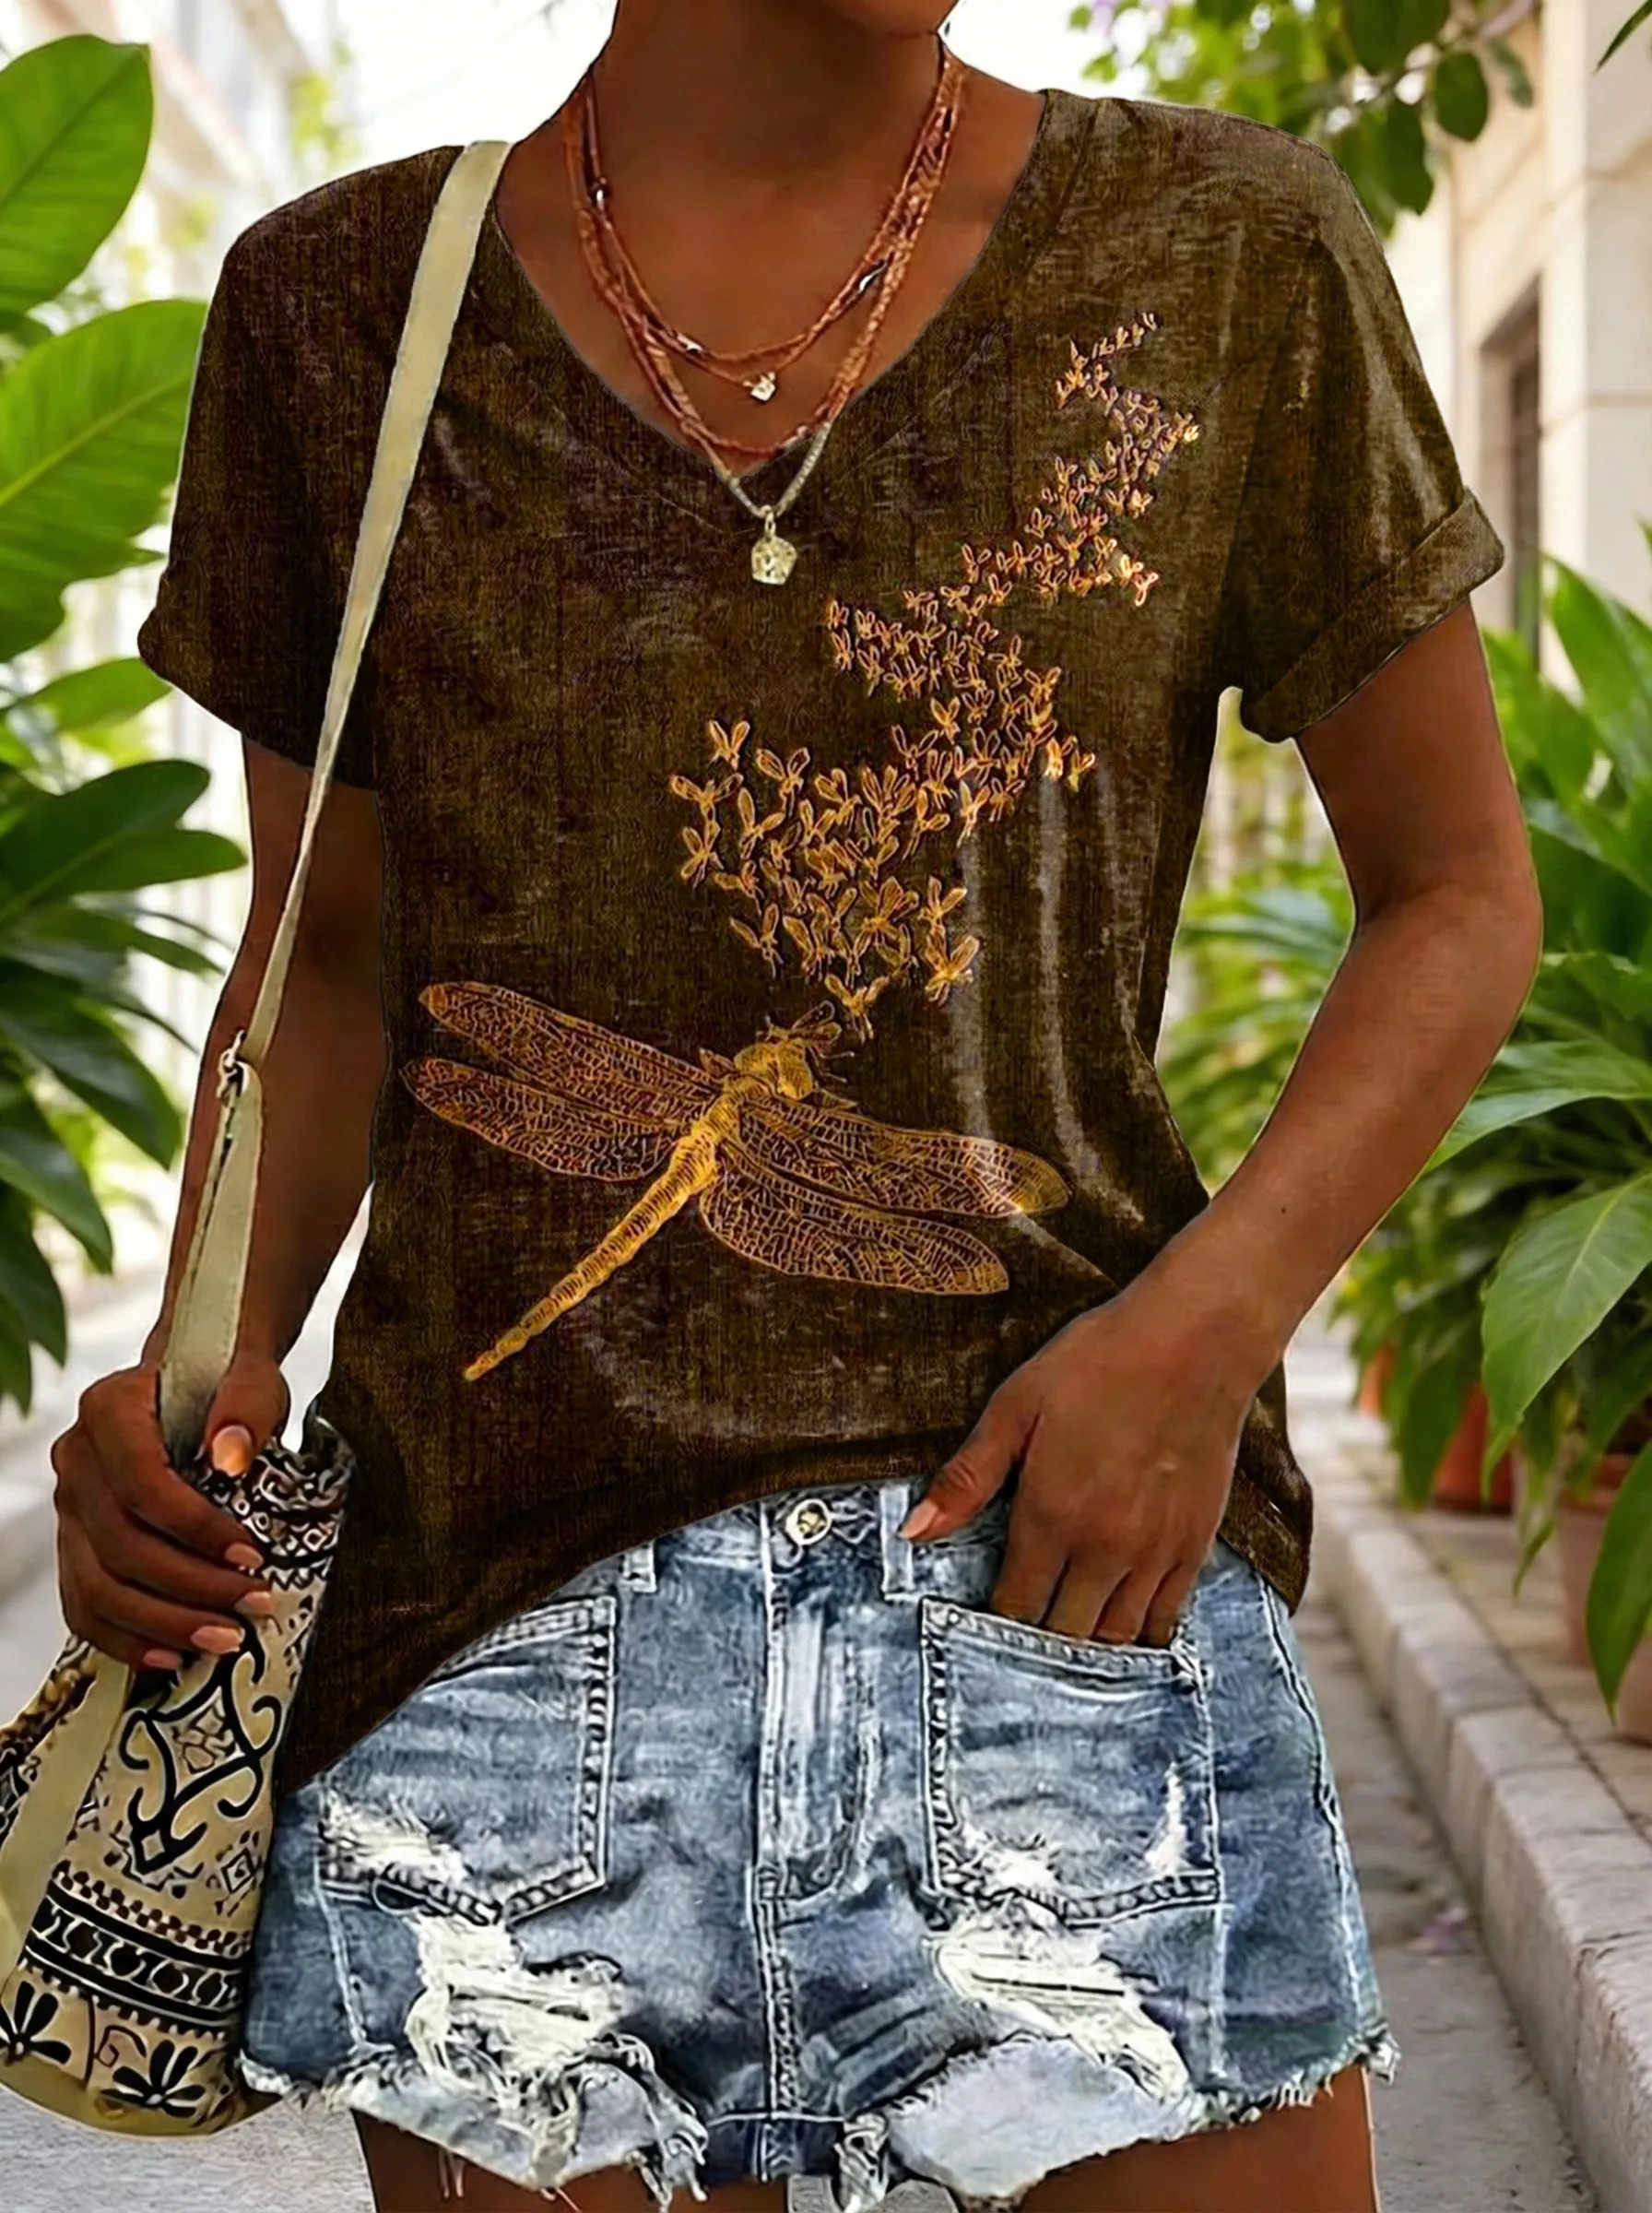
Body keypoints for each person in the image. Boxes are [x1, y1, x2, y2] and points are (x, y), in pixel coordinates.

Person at [48, 2, 1540, 2209]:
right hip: (499, 1651)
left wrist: (1202, 1331)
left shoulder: (1226, 248)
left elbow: (1451, 892)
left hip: (1064, 1580)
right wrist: (199, 1384)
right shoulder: (337, 307)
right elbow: (330, 962)